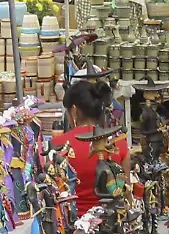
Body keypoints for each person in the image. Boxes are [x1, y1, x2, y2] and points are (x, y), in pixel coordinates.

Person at [53, 79, 127, 217]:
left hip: (75, 222)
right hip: (113, 218)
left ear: (74, 111)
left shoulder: (58, 145)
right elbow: (125, 189)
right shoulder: (119, 143)